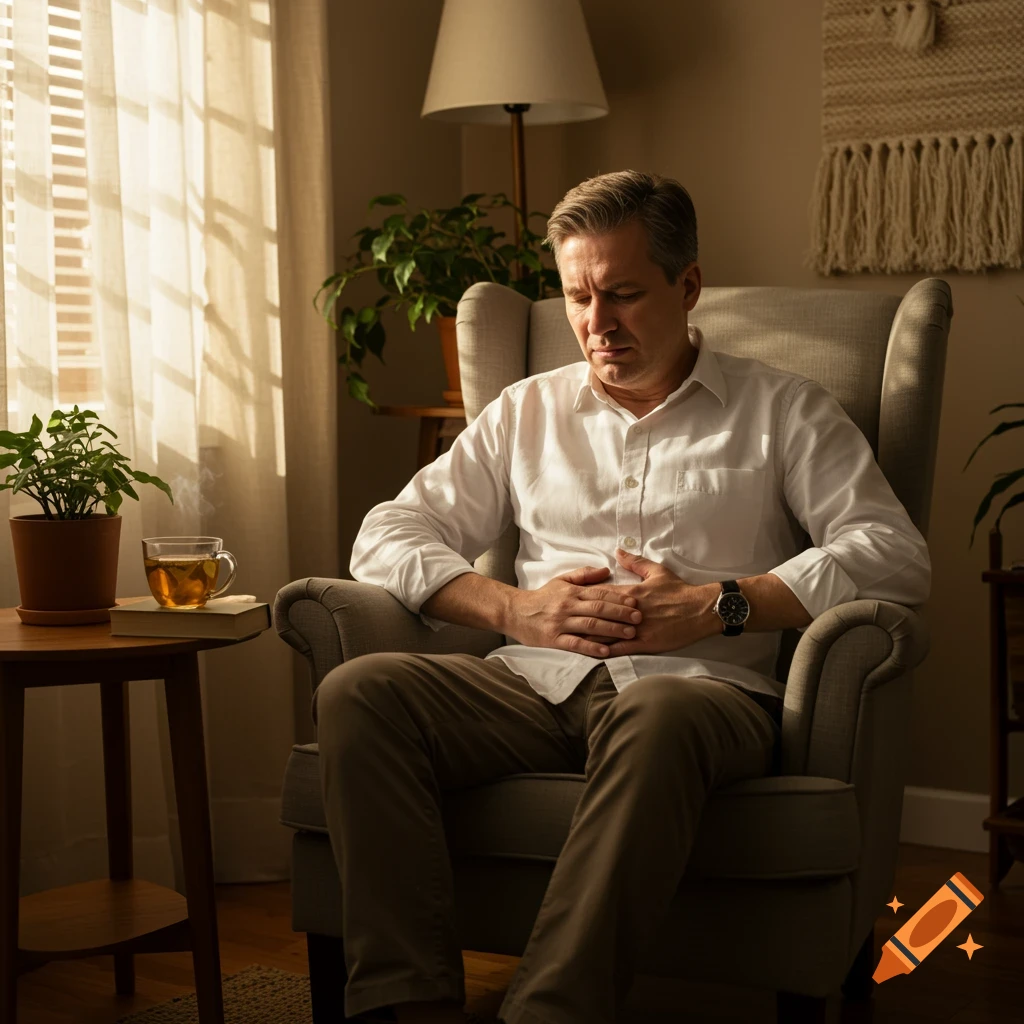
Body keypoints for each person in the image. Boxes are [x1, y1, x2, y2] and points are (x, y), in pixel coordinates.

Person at [314, 170, 931, 1024]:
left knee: (659, 713)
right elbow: (386, 534)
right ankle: (403, 1006)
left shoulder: (783, 410)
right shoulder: (523, 413)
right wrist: (510, 609)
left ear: (688, 286)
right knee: (360, 693)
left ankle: (551, 1013)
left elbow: (895, 553)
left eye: (624, 295)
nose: (596, 325)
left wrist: (728, 603)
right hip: (530, 681)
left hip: (702, 696)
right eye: (577, 297)